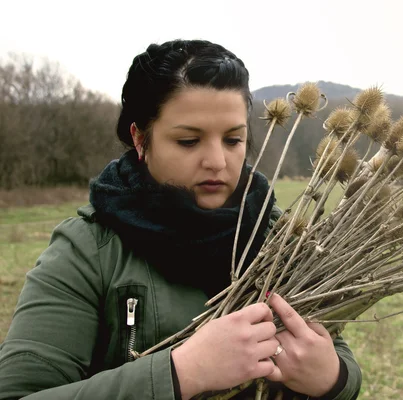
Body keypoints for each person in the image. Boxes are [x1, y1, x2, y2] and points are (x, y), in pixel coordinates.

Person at [0, 39, 361, 400]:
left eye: (233, 139)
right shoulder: (87, 251)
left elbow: (333, 348)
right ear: (140, 139)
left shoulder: (278, 237)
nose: (217, 161)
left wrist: (334, 378)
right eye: (189, 141)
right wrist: (182, 372)